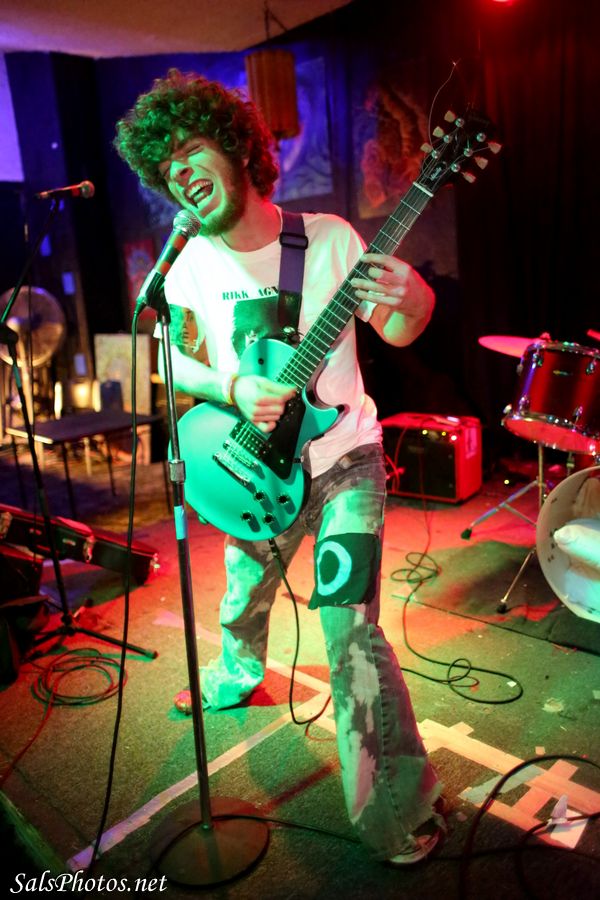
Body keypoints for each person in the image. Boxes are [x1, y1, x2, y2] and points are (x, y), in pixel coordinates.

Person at [115, 68, 444, 865]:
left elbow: (398, 329)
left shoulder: (330, 239)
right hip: (254, 466)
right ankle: (236, 670)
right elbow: (172, 365)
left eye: (190, 149)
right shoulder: (185, 267)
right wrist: (232, 386)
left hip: (344, 459)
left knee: (350, 633)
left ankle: (394, 812)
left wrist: (415, 298)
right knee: (242, 590)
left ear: (237, 147)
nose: (179, 172)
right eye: (165, 166)